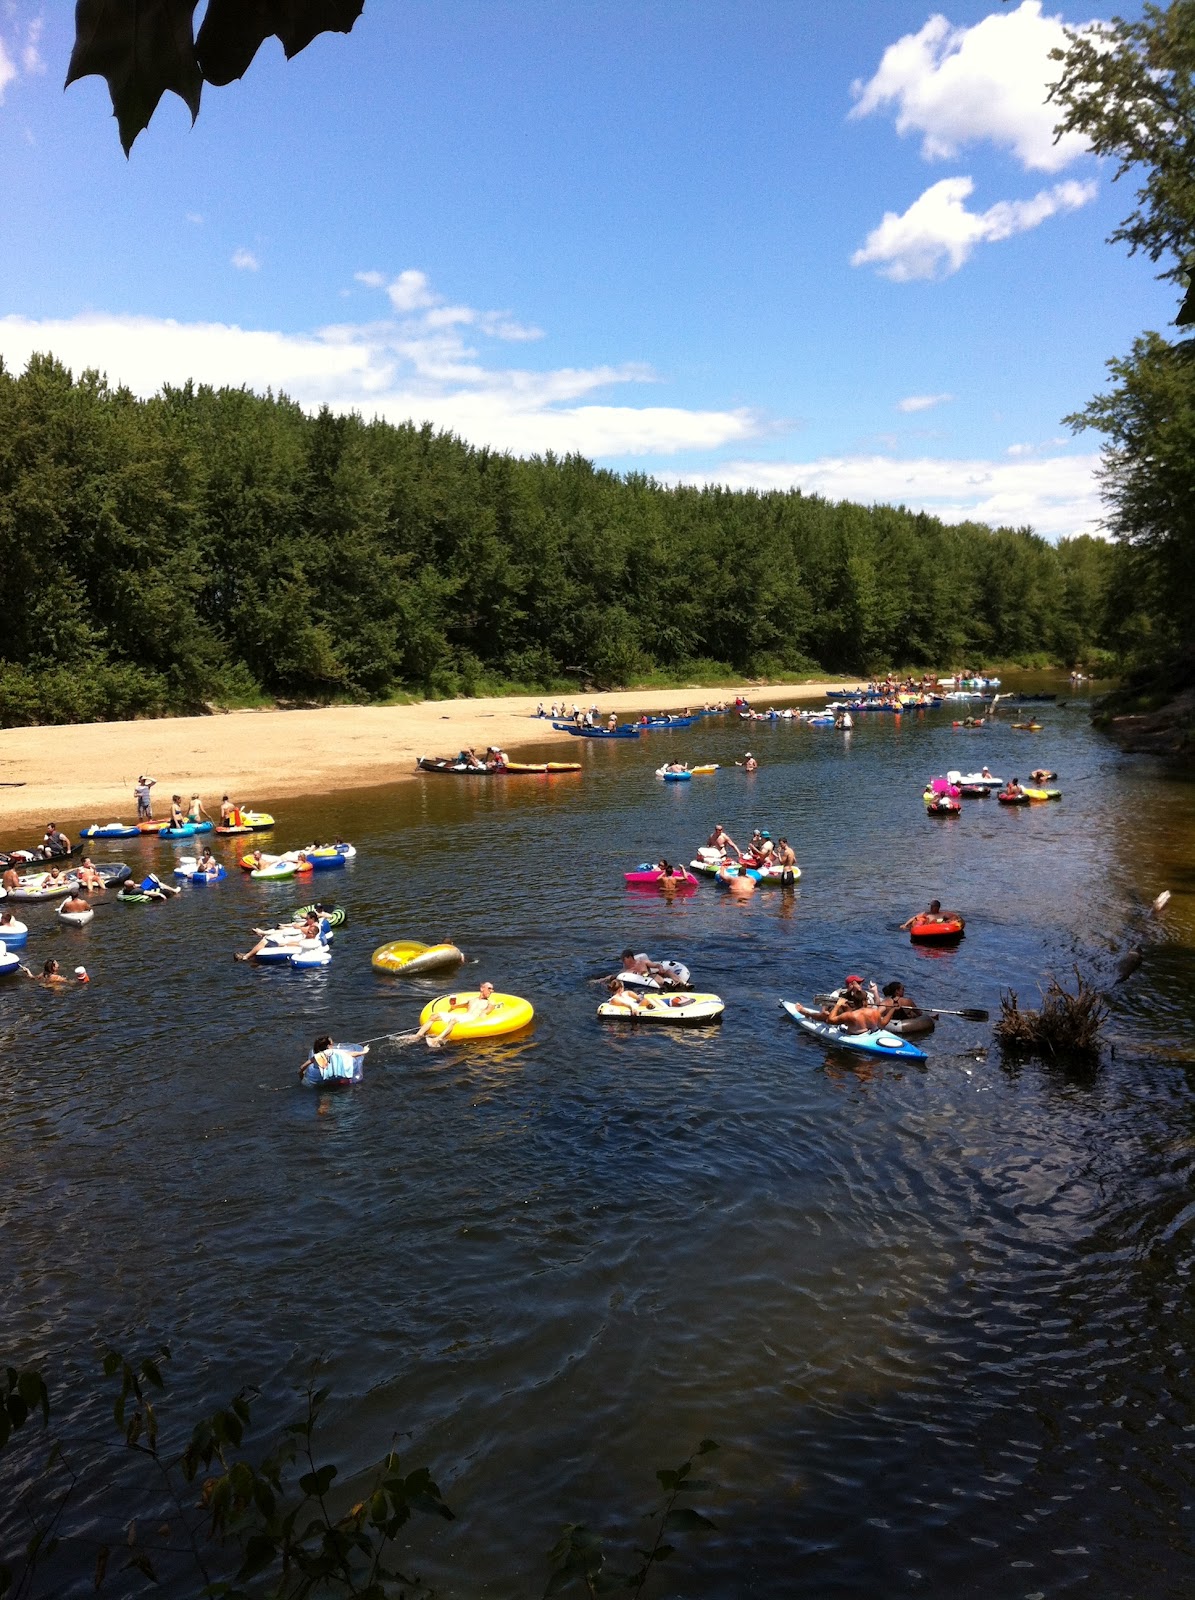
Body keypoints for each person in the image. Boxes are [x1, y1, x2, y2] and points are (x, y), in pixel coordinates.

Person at [407, 981, 499, 1049]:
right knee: (433, 1016)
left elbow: (486, 1012)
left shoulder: (490, 1003)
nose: (491, 991)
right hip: (465, 1015)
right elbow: (456, 1007)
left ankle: (438, 1039)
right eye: (489, 988)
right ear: (482, 989)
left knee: (453, 1020)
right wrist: (452, 1004)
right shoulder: (471, 1000)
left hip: (472, 1018)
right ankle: (418, 1035)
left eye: (492, 989)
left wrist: (483, 1016)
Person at [236, 909, 321, 962]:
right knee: (273, 935)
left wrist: (285, 944)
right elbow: (298, 927)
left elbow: (300, 943)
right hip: (289, 942)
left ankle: (246, 957)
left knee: (265, 940)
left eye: (307, 918)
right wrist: (284, 925)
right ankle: (251, 955)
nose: (306, 920)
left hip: (287, 945)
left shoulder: (313, 930)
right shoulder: (310, 927)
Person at [302, 1034, 367, 1085]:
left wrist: (301, 1076)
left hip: (326, 1082)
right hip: (341, 1081)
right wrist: (364, 1051)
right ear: (328, 1046)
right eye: (332, 1043)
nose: (333, 1044)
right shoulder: (336, 1053)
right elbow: (351, 1054)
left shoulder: (317, 1057)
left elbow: (302, 1067)